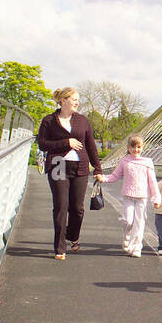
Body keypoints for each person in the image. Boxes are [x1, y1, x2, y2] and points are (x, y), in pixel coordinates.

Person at [37, 86, 102, 260]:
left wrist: (97, 167)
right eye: (74, 99)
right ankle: (60, 248)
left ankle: (72, 236)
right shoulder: (49, 121)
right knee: (60, 206)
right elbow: (42, 143)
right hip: (58, 165)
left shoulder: (82, 120)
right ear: (63, 100)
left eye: (77, 100)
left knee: (77, 208)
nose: (77, 102)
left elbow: (90, 146)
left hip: (80, 166)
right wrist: (66, 142)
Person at [96, 135, 160, 257]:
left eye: (139, 147)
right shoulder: (124, 161)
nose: (136, 149)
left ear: (142, 147)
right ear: (128, 147)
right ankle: (126, 240)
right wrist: (102, 178)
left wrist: (156, 198)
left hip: (142, 197)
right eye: (133, 147)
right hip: (128, 196)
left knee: (139, 222)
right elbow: (115, 176)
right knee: (128, 221)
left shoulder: (147, 163)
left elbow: (152, 182)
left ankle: (136, 248)